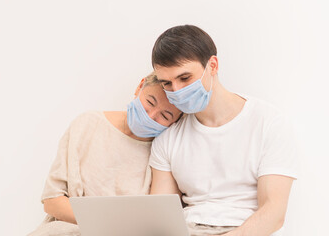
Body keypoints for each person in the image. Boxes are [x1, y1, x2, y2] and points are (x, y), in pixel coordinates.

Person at [149, 25, 298, 236]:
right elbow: (161, 218)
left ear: (213, 65)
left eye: (185, 78)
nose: (177, 91)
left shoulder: (268, 122)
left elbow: (273, 213)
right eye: (167, 83)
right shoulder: (168, 138)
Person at [28, 72, 182, 236]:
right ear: (140, 86)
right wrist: (105, 225)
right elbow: (52, 202)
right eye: (150, 102)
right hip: (69, 229)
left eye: (165, 116)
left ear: (175, 122)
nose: (150, 116)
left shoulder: (164, 155)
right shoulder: (87, 124)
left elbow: (160, 219)